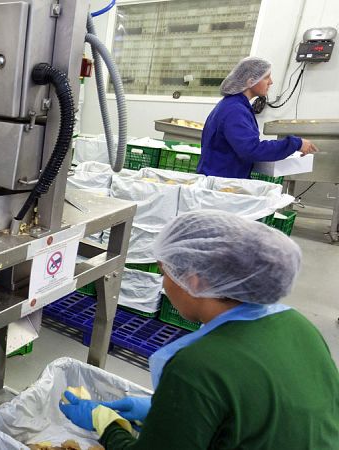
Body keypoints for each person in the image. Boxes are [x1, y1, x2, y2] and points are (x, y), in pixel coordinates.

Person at [59, 210, 339, 449]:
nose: (165, 285)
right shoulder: (299, 325)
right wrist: (163, 411)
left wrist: (106, 425)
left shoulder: (196, 366)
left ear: (194, 281)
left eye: (166, 272)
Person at [196, 56, 318, 178]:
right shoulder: (235, 110)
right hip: (221, 183)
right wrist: (296, 144)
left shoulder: (233, 105)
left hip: (221, 178)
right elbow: (252, 149)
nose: (271, 82)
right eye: (266, 77)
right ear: (250, 81)